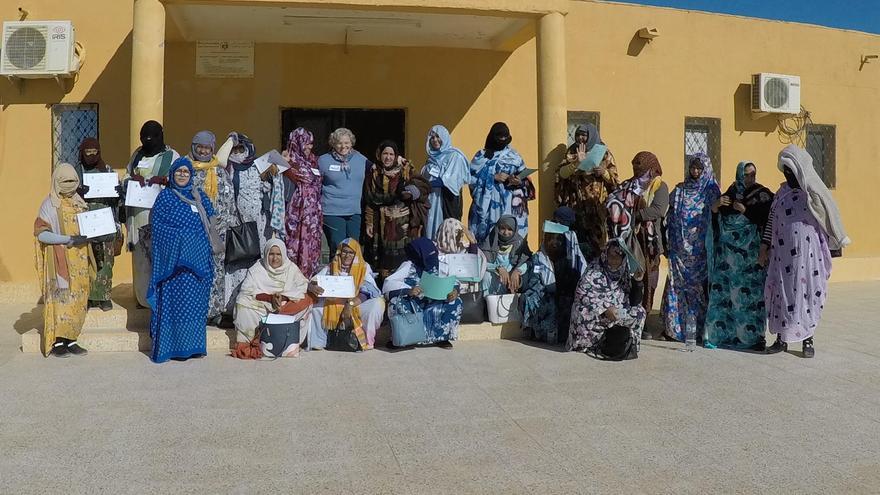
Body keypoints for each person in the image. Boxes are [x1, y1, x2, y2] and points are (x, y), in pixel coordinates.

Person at [760, 145, 850, 358]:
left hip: (808, 258)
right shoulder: (781, 193)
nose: (788, 176)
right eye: (786, 172)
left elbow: (828, 215)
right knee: (782, 295)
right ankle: (781, 339)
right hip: (782, 257)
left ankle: (807, 339)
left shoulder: (813, 193)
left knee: (806, 294)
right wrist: (764, 246)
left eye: (792, 172)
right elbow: (772, 221)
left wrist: (837, 240)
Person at [147, 157, 216, 363]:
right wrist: (182, 240)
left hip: (197, 267)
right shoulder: (165, 198)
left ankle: (194, 347)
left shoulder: (199, 195)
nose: (183, 175)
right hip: (173, 268)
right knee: (175, 307)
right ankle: (173, 348)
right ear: (172, 174)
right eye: (179, 172)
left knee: (195, 307)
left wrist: (195, 241)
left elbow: (210, 223)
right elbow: (158, 228)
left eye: (186, 172)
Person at [705, 161, 774, 350]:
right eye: (746, 175)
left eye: (752, 174)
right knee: (726, 295)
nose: (750, 178)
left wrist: (747, 211)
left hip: (750, 259)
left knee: (750, 299)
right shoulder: (730, 191)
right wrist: (716, 207)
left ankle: (752, 338)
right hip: (728, 258)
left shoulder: (762, 195)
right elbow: (716, 219)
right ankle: (724, 335)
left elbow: (769, 219)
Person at [34, 163, 92, 357]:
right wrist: (68, 240)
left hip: (80, 262)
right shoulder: (49, 204)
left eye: (73, 181)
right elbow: (42, 234)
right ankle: (58, 342)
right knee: (62, 298)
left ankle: (72, 338)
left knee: (78, 299)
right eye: (65, 181)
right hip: (60, 260)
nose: (69, 184)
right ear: (56, 181)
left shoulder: (80, 202)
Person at [662, 153, 721, 342]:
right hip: (679, 251)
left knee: (698, 288)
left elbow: (718, 218)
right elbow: (669, 214)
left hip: (700, 252)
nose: (695, 171)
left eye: (699, 168)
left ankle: (699, 329)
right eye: (693, 167)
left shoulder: (711, 191)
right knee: (676, 286)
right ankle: (673, 328)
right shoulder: (680, 190)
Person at [124, 120, 180, 308]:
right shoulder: (137, 155)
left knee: (157, 257)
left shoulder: (171, 156)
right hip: (138, 214)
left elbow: (180, 179)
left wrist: (164, 181)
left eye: (152, 137)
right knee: (141, 257)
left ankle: (158, 297)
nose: (148, 141)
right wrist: (132, 179)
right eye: (144, 137)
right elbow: (126, 174)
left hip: (160, 216)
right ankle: (141, 297)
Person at [606, 151, 668, 317]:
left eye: (640, 169)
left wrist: (635, 216)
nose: (637, 172)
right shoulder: (629, 185)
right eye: (634, 168)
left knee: (649, 280)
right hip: (629, 241)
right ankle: (628, 314)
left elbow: (658, 210)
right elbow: (615, 198)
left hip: (649, 243)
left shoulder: (659, 186)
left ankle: (643, 318)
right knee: (631, 279)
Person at [363, 140, 431, 278]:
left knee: (405, 260)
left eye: (391, 154)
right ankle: (386, 289)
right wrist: (369, 222)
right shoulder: (374, 174)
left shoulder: (406, 170)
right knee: (383, 262)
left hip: (404, 226)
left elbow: (424, 187)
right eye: (385, 154)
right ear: (379, 155)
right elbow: (369, 201)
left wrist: (412, 192)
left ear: (396, 156)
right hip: (381, 225)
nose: (388, 157)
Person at [234, 238, 313, 357]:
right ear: (266, 254)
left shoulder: (291, 268)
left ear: (283, 255)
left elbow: (303, 285)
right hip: (262, 308)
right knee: (242, 302)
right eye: (271, 254)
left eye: (278, 254)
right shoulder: (257, 269)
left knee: (307, 300)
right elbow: (246, 290)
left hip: (284, 308)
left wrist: (284, 298)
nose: (275, 258)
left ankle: (292, 342)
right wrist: (270, 298)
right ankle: (251, 343)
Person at [568, 240, 646, 356]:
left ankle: (628, 344)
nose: (614, 260)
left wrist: (638, 282)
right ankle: (590, 344)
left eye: (618, 256)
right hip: (599, 314)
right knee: (581, 311)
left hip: (616, 313)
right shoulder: (594, 270)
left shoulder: (625, 274)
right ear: (605, 255)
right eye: (611, 255)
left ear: (624, 258)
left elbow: (635, 301)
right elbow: (582, 294)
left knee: (639, 312)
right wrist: (604, 310)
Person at [189, 130, 235, 325]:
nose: (203, 150)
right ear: (193, 147)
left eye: (207, 147)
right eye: (200, 146)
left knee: (216, 270)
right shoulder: (187, 169)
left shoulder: (219, 170)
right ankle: (196, 310)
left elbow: (228, 198)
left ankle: (214, 311)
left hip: (217, 231)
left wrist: (223, 224)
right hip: (194, 230)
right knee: (196, 269)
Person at [307, 239, 385, 350]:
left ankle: (367, 341)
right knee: (316, 307)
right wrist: (313, 287)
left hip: (355, 303)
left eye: (351, 252)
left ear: (356, 253)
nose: (347, 255)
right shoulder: (332, 266)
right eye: (344, 252)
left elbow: (369, 290)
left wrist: (350, 304)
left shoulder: (363, 267)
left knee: (377, 304)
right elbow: (314, 281)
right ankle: (319, 342)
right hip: (335, 303)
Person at [383, 238, 462, 348]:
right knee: (396, 302)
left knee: (455, 302)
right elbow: (388, 286)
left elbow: (454, 282)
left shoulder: (441, 265)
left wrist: (454, 291)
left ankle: (442, 338)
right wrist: (409, 291)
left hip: (436, 302)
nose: (432, 258)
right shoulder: (408, 266)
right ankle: (401, 338)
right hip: (414, 303)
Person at [556, 124, 619, 259]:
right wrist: (576, 163)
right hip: (576, 205)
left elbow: (615, 180)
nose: (580, 138)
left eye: (584, 135)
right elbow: (561, 174)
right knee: (578, 242)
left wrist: (604, 173)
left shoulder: (604, 152)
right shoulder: (571, 152)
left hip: (597, 207)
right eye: (578, 135)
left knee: (598, 245)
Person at [224, 132, 271, 314]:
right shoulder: (228, 167)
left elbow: (270, 188)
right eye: (234, 149)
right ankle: (233, 308)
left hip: (260, 224)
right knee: (238, 264)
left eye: (240, 148)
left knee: (257, 263)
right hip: (238, 225)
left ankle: (258, 306)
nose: (238, 153)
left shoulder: (260, 164)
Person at [521, 220, 587, 345]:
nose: (554, 243)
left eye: (558, 239)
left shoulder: (569, 260)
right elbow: (534, 280)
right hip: (544, 294)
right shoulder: (538, 258)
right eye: (550, 239)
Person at [75, 137, 121, 311]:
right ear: (82, 153)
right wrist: (78, 192)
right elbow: (65, 192)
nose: (91, 156)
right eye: (87, 153)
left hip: (105, 220)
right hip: (83, 219)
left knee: (106, 259)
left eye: (95, 153)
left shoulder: (107, 170)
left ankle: (103, 296)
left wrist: (117, 194)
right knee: (86, 259)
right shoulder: (76, 172)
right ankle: (87, 296)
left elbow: (116, 201)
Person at [468, 122, 534, 244]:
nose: (503, 139)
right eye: (499, 137)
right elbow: (471, 180)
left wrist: (519, 181)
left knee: (509, 238)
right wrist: (492, 177)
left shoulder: (515, 156)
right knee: (487, 241)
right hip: (488, 208)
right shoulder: (481, 156)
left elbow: (527, 182)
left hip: (511, 205)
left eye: (505, 137)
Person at [318, 128, 372, 258]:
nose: (343, 146)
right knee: (338, 247)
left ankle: (353, 277)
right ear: (333, 144)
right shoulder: (323, 161)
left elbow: (378, 171)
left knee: (354, 247)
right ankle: (336, 276)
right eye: (339, 143)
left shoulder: (361, 159)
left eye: (346, 142)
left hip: (355, 211)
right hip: (332, 211)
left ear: (352, 143)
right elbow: (313, 183)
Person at [283, 128, 323, 278]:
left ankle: (308, 283)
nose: (309, 147)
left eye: (311, 144)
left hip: (313, 216)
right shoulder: (287, 162)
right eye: (306, 143)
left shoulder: (315, 161)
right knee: (294, 248)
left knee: (311, 250)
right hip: (296, 215)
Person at [422, 125, 470, 240]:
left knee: (448, 235)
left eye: (438, 136)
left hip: (447, 201)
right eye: (432, 137)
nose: (435, 140)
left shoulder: (455, 156)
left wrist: (426, 185)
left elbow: (449, 181)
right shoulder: (430, 159)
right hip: (432, 200)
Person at [435, 218, 488, 323]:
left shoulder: (464, 247)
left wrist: (473, 242)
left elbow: (474, 266)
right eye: (456, 232)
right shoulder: (434, 251)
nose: (460, 236)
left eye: (460, 233)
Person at [480, 215, 531, 296]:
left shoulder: (520, 243)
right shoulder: (490, 241)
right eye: (502, 228)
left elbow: (528, 261)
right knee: (486, 276)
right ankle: (487, 304)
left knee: (526, 276)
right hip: (496, 280)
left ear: (514, 230)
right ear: (497, 228)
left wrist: (517, 271)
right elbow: (482, 263)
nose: (506, 233)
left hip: (513, 281)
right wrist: (497, 268)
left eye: (510, 229)